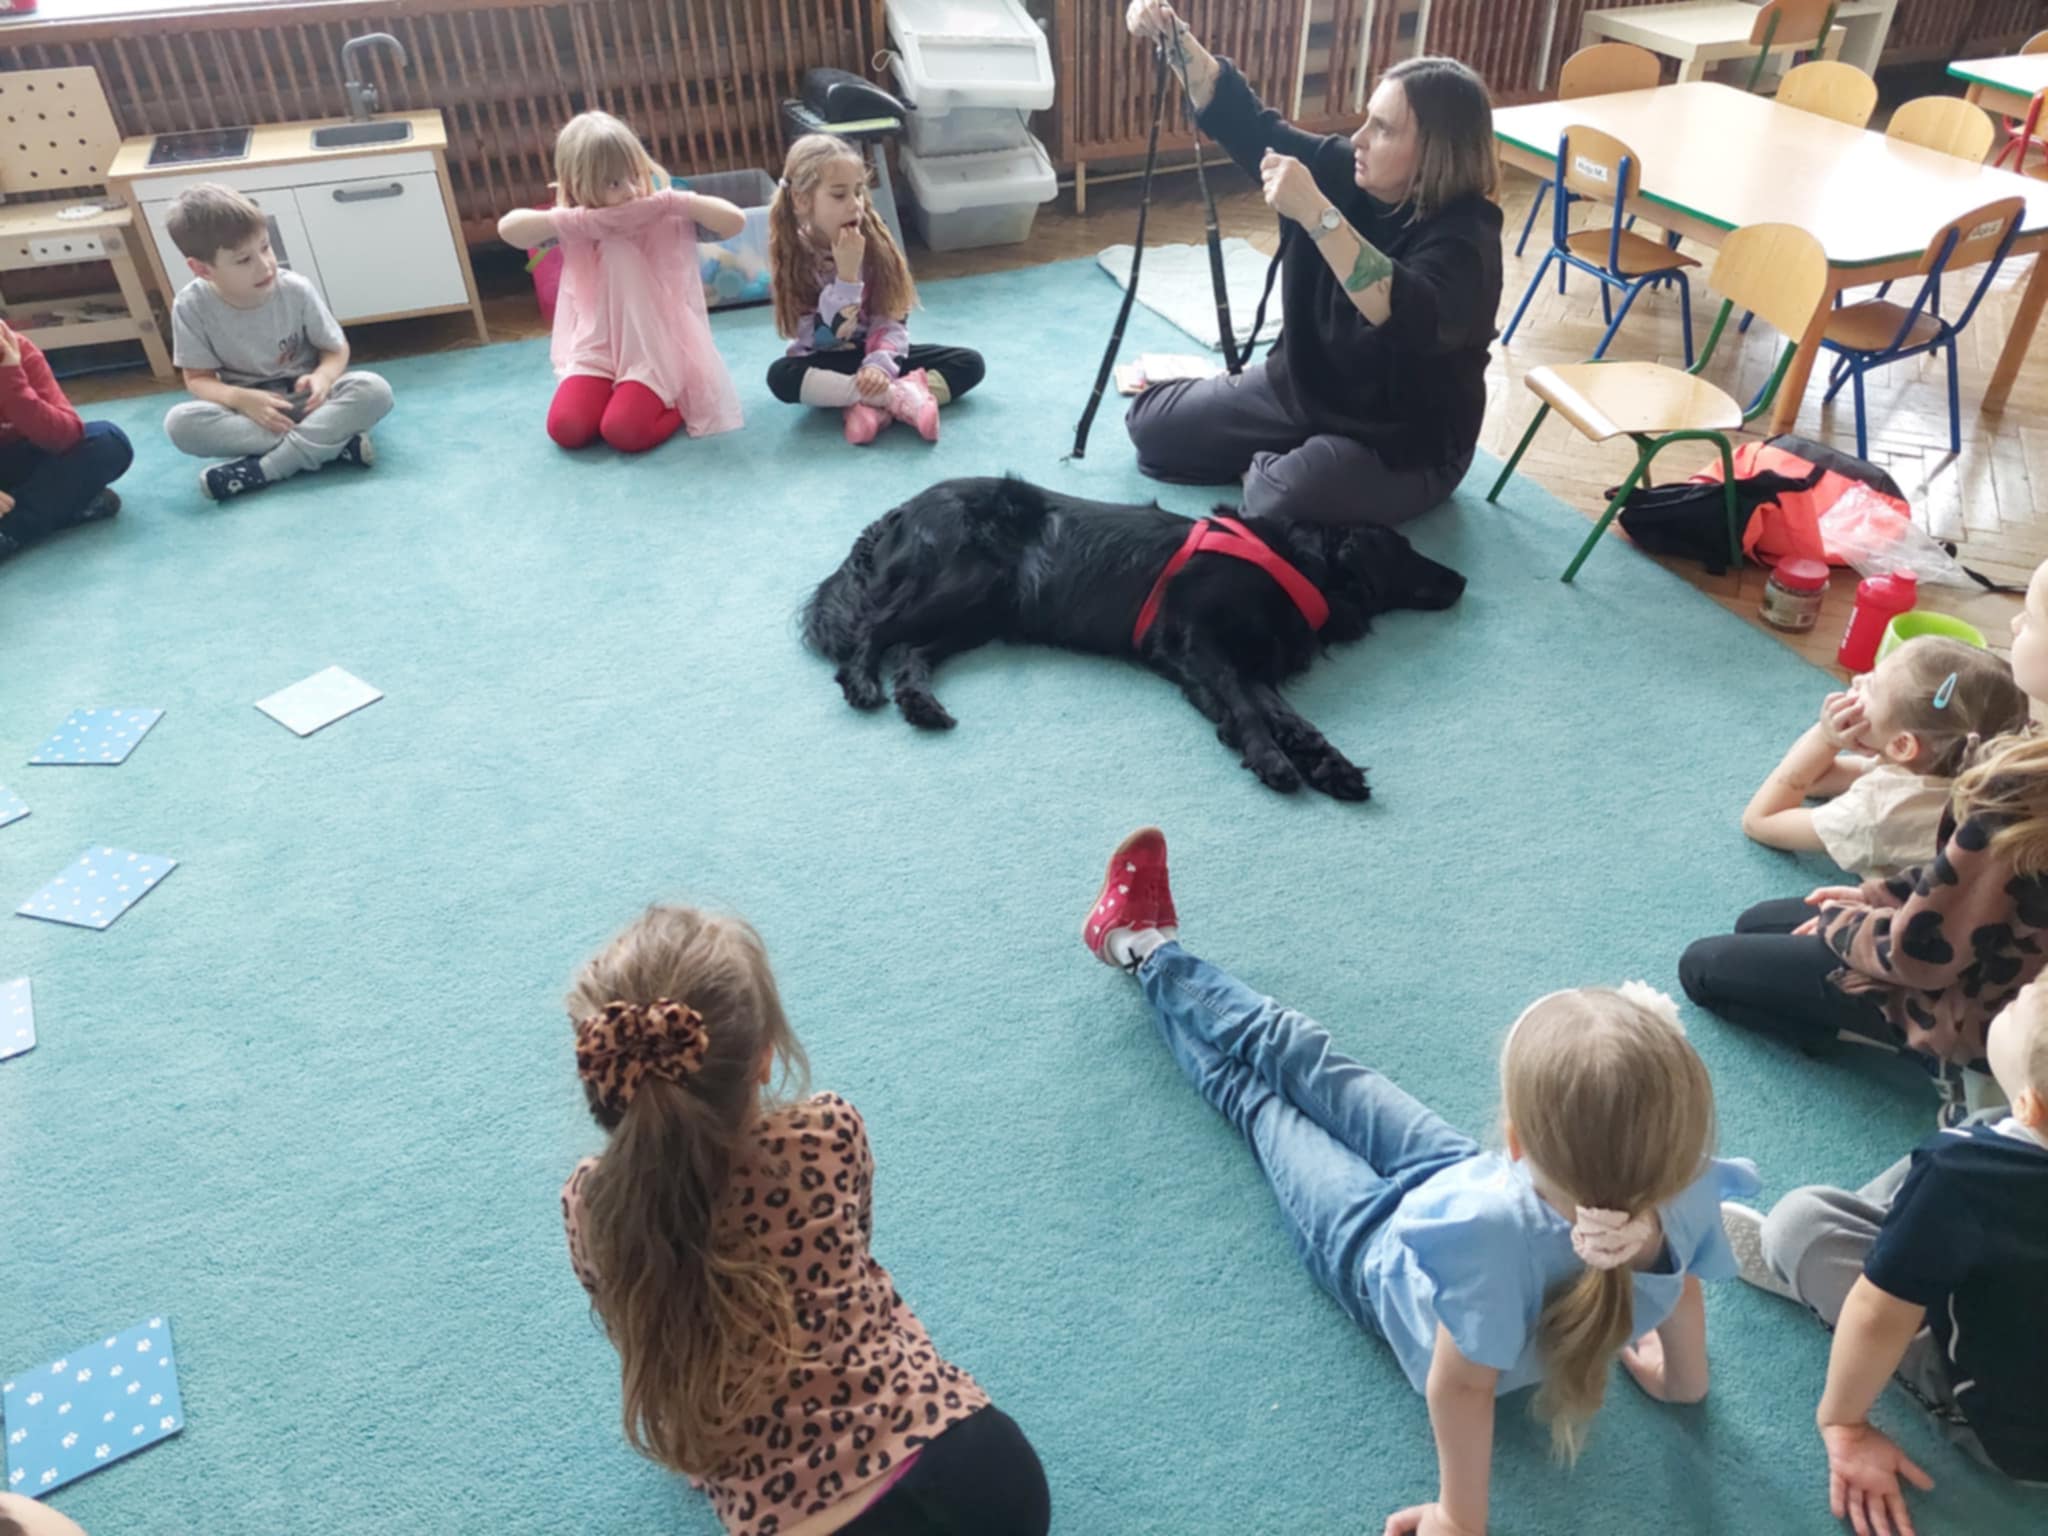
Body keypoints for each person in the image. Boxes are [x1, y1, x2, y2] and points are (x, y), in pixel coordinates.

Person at [1083, 827, 1758, 1536]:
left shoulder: (1494, 1238)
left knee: (1261, 1100)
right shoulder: (1683, 1182)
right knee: (1298, 1056)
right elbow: (1677, 1283)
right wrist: (1687, 1382)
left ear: (1518, 1141)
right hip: (1452, 1179)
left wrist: (1457, 1518)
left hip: (1374, 1253)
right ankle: (1154, 954)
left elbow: (1463, 1384)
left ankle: (1138, 949)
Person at [560, 905, 1050, 1536]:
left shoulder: (591, 1208)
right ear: (764, 1058)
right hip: (983, 1476)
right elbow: (859, 1248)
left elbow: (638, 1325)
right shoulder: (828, 1131)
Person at [1681, 561, 2048, 1123]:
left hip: (1968, 1009)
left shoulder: (2017, 795)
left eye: (2034, 617)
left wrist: (1844, 926)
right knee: (1762, 921)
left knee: (1703, 967)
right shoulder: (2022, 748)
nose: (2016, 623)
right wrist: (1876, 899)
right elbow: (1954, 885)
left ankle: (1929, 1059)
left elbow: (1921, 954)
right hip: (1976, 965)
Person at [1120, 0, 1501, 527]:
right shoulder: (1346, 168)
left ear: (1437, 152)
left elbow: (1400, 309)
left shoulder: (1467, 242)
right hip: (1300, 389)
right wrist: (1173, 34)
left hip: (1401, 439)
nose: (1360, 138)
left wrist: (1318, 215)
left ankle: (1285, 465)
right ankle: (1287, 457)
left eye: (1384, 129)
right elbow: (1244, 120)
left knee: (1280, 502)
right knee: (1150, 428)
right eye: (1366, 120)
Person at [1721, 977, 2048, 1535]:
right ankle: (1906, 1236)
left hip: (2018, 1438)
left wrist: (1843, 1422)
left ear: (2032, 1103)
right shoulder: (1974, 1167)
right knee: (1979, 1133)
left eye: (2019, 1003)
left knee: (1799, 1225)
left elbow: (1877, 1316)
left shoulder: (1963, 1177)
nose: (2018, 993)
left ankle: (1869, 1259)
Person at [498, 111, 745, 452]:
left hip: (654, 351)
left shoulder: (661, 214)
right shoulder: (579, 225)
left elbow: (734, 221)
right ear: (581, 187)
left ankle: (675, 404)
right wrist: (577, 220)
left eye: (634, 177)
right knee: (565, 429)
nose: (630, 192)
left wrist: (677, 201)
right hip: (597, 349)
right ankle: (615, 395)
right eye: (614, 184)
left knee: (624, 431)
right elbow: (510, 229)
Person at [160, 183, 392, 501]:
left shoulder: (295, 289)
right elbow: (198, 379)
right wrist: (240, 399)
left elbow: (335, 349)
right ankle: (334, 445)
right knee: (180, 424)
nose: (266, 264)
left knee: (373, 389)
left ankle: (266, 469)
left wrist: (323, 377)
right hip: (254, 414)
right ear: (202, 269)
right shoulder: (190, 306)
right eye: (243, 260)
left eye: (266, 247)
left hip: (312, 402)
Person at [1737, 638, 2027, 882]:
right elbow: (1817, 781)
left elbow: (1759, 822)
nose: (1858, 679)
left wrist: (1825, 738)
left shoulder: (1881, 810)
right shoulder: (1956, 765)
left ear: (1902, 745)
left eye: (1871, 687)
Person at [767, 134, 984, 445]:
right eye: (839, 195)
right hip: (827, 359)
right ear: (802, 201)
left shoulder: (876, 243)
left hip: (879, 356)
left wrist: (878, 367)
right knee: (781, 376)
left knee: (970, 363)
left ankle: (868, 404)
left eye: (858, 192)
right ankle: (895, 399)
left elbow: (892, 318)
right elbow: (823, 341)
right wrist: (846, 278)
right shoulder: (793, 255)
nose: (855, 204)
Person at [0, 318, 130, 566]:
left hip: (24, 460)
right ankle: (67, 508)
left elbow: (66, 438)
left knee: (107, 442)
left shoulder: (18, 349)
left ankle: (10, 530)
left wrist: (11, 381)